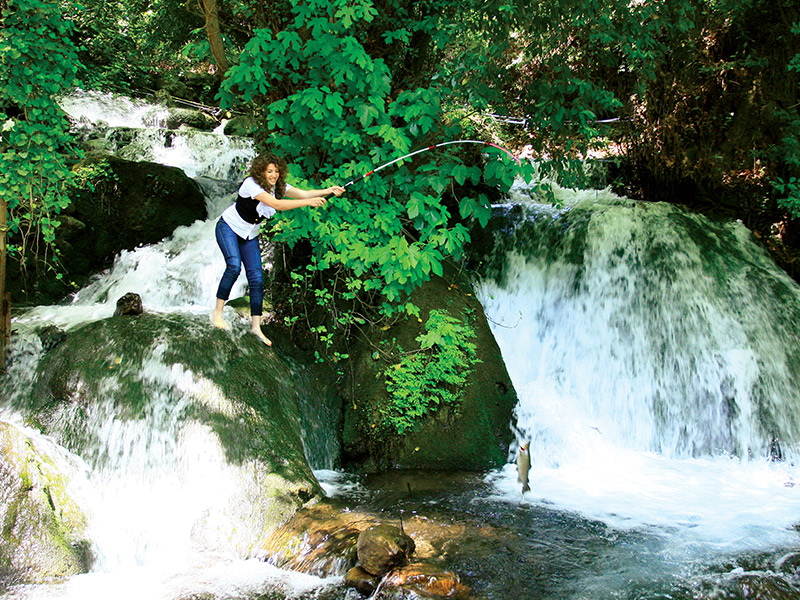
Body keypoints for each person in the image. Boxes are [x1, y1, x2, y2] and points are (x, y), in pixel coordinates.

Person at [212, 152, 345, 346]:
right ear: (261, 172)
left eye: (276, 171)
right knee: (234, 266)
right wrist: (309, 203)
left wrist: (328, 190)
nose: (273, 175)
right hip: (229, 228)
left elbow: (304, 193)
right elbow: (276, 204)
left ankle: (256, 327)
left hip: (249, 234)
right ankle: (217, 313)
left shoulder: (279, 187)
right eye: (269, 171)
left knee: (257, 279)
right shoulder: (251, 184)